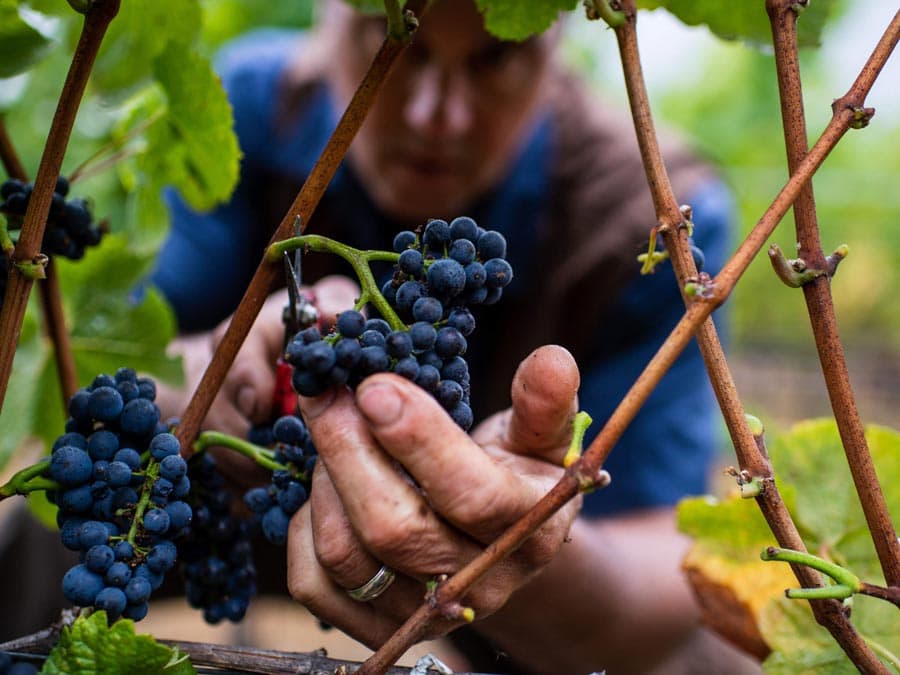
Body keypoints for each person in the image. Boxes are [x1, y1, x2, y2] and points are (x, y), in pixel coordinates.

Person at [150, 1, 759, 673]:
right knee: (67, 518)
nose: (435, 115)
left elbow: (666, 569)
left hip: (515, 608)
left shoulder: (652, 218)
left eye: (495, 57)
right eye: (393, 37)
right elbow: (112, 362)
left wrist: (523, 546)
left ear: (555, 40)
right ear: (326, 12)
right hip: (254, 497)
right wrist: (208, 374)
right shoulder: (247, 109)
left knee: (709, 662)